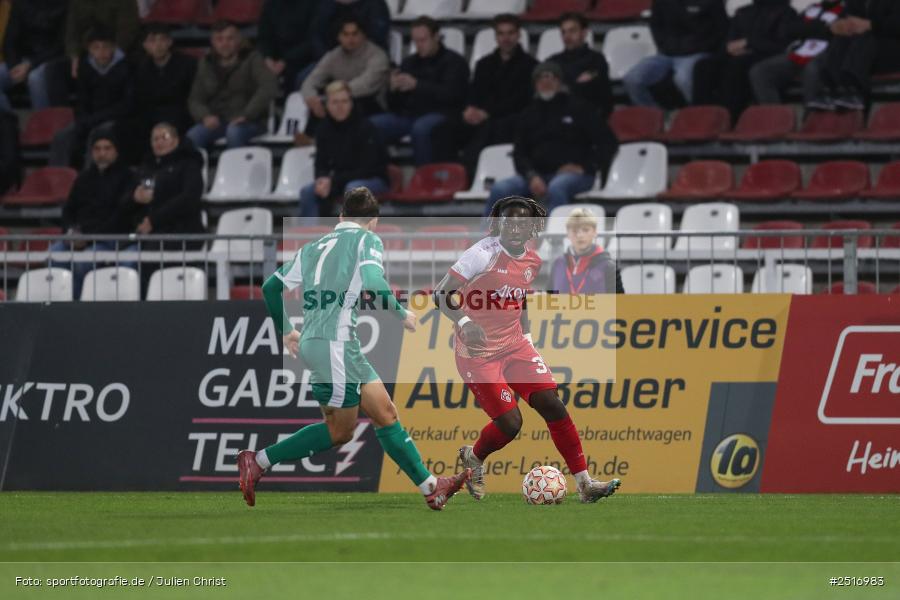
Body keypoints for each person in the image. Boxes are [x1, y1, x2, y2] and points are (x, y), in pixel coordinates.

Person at [239, 187, 471, 510]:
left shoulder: (312, 247)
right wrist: (401, 313)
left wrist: (287, 331)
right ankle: (259, 460)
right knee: (339, 432)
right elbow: (374, 283)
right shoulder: (367, 239)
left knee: (385, 413)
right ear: (373, 221)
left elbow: (270, 287)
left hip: (333, 343)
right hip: (334, 346)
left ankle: (431, 487)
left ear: (341, 216)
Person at [432, 196, 622, 503]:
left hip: (515, 345)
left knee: (552, 404)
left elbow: (520, 299)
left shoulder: (533, 260)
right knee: (511, 424)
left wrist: (529, 339)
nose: (515, 228)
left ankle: (585, 484)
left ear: (533, 227)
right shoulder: (481, 254)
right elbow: (440, 293)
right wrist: (465, 321)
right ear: (499, 224)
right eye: (508, 222)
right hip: (478, 353)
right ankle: (474, 457)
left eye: (522, 223)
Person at [484, 61, 619, 216]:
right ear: (535, 84)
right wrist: (531, 176)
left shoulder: (580, 108)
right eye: (540, 78)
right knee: (500, 189)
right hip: (538, 175)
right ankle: (487, 232)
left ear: (559, 81)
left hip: (577, 175)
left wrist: (586, 167)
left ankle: (554, 231)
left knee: (557, 187)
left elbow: (608, 142)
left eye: (551, 77)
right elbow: (519, 153)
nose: (545, 82)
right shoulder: (528, 115)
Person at [438, 13, 536, 177]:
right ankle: (446, 177)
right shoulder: (483, 64)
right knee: (444, 127)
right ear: (495, 36)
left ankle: (467, 174)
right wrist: (469, 109)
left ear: (518, 35)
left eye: (510, 33)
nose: (506, 38)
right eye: (501, 33)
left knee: (490, 129)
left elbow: (521, 100)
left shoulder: (531, 65)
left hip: (509, 118)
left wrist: (487, 113)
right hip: (481, 115)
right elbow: (474, 91)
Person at [370, 16, 469, 166]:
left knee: (421, 128)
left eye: (423, 40)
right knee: (372, 124)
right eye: (415, 41)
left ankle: (424, 175)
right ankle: (380, 171)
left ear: (436, 37)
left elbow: (452, 95)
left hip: (443, 113)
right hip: (410, 115)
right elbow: (394, 105)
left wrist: (417, 85)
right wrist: (393, 89)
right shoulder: (409, 62)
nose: (418, 45)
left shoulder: (454, 62)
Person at [48, 128, 134, 298]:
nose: (102, 153)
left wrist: (87, 238)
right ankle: (60, 304)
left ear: (116, 151)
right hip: (80, 237)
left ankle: (80, 306)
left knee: (83, 262)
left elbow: (121, 216)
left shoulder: (128, 178)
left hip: (110, 240)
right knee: (54, 256)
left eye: (107, 148)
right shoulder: (83, 178)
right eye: (97, 149)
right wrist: (70, 233)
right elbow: (69, 210)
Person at [692, 0, 797, 119]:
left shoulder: (786, 12)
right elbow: (729, 40)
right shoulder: (743, 12)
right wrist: (730, 48)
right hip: (738, 54)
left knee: (736, 66)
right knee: (703, 66)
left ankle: (730, 117)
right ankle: (700, 118)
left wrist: (749, 43)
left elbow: (781, 45)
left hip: (764, 55)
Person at [300, 81, 388, 218]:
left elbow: (369, 168)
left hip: (372, 179)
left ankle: (353, 231)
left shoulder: (366, 127)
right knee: (308, 192)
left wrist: (333, 181)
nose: (340, 106)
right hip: (340, 180)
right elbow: (320, 163)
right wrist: (322, 180)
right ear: (327, 105)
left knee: (353, 189)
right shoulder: (323, 129)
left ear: (351, 103)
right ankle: (310, 231)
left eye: (344, 101)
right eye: (335, 102)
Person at [186, 21, 278, 150]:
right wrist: (205, 116)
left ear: (239, 40)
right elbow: (195, 99)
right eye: (219, 39)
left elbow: (269, 87)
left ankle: (236, 164)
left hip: (251, 120)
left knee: (234, 131)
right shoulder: (206, 63)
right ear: (213, 42)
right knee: (193, 136)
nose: (225, 44)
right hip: (219, 121)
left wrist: (247, 114)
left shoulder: (253, 58)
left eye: (230, 39)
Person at [49, 27, 132, 167]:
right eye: (96, 48)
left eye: (105, 47)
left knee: (98, 134)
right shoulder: (85, 67)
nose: (101, 52)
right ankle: (58, 175)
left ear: (113, 47)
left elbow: (126, 105)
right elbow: (83, 100)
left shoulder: (126, 67)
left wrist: (94, 119)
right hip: (90, 118)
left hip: (116, 119)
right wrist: (83, 119)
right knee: (62, 136)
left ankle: (89, 174)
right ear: (89, 50)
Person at [623, 0, 729, 107]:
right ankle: (652, 114)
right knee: (632, 79)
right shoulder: (661, 2)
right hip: (665, 54)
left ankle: (697, 113)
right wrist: (665, 45)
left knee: (683, 79)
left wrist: (701, 47)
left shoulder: (711, 2)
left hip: (697, 53)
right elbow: (656, 25)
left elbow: (721, 30)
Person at [749, 0, 844, 106]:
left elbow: (838, 33)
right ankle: (775, 114)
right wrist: (823, 27)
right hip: (800, 51)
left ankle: (811, 113)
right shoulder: (812, 8)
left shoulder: (845, 11)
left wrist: (809, 28)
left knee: (811, 69)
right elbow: (790, 29)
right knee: (760, 71)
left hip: (828, 53)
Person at [808, 0, 900, 111]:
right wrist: (836, 26)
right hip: (861, 52)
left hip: (890, 51)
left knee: (867, 38)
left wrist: (870, 25)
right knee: (841, 39)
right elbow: (845, 18)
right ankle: (830, 88)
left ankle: (855, 90)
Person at [127, 122, 205, 249]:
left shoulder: (189, 164)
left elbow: (189, 197)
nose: (159, 142)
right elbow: (125, 200)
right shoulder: (146, 167)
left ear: (176, 140)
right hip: (146, 234)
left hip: (181, 231)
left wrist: (153, 220)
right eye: (155, 139)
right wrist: (134, 197)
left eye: (164, 137)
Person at [126, 24, 196, 164]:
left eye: (162, 39)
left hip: (180, 113)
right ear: (145, 46)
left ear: (170, 42)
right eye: (152, 41)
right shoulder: (141, 68)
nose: (158, 45)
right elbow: (139, 99)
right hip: (151, 114)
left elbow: (191, 96)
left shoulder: (187, 64)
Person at [300, 17, 390, 120]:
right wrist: (312, 99)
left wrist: (330, 97)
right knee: (317, 108)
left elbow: (366, 84)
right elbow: (310, 81)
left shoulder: (378, 56)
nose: (350, 39)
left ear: (363, 35)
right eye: (345, 34)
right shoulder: (333, 56)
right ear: (338, 37)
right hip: (339, 103)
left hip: (371, 106)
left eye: (355, 34)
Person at [0, 0, 67, 111]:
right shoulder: (20, 4)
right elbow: (9, 41)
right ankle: (9, 120)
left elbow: (61, 45)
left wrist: (30, 64)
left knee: (35, 78)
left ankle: (42, 121)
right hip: (21, 60)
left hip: (51, 59)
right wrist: (14, 66)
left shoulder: (63, 5)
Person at [546, 12, 612, 115]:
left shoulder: (597, 60)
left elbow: (604, 99)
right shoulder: (552, 61)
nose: (567, 36)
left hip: (587, 117)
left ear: (584, 33)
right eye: (563, 32)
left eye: (572, 31)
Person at [549, 208, 623, 295]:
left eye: (585, 230)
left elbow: (620, 302)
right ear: (568, 233)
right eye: (575, 231)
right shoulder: (558, 264)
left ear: (594, 232)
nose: (580, 235)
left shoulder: (608, 266)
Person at [64, 0, 139, 80]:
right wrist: (74, 56)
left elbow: (127, 30)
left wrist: (114, 54)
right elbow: (72, 30)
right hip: (85, 51)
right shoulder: (77, 2)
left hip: (117, 50)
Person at [258, 0, 320, 91]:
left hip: (303, 58)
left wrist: (285, 61)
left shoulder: (313, 4)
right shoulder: (271, 4)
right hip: (274, 59)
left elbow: (313, 40)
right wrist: (268, 58)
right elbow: (264, 37)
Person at [313, 0, 391, 56]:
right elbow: (316, 36)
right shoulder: (326, 4)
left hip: (366, 61)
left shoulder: (375, 5)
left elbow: (377, 39)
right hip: (329, 60)